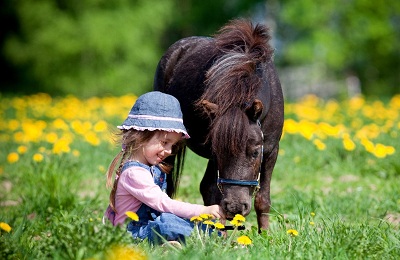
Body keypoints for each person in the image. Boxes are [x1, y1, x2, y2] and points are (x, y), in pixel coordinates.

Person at [104, 91, 224, 245]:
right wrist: (203, 211)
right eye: (164, 142)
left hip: (148, 226)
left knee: (173, 220)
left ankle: (210, 236)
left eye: (172, 145)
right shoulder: (134, 174)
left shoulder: (153, 168)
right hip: (131, 235)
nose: (169, 151)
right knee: (167, 223)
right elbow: (164, 204)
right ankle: (207, 238)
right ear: (141, 136)